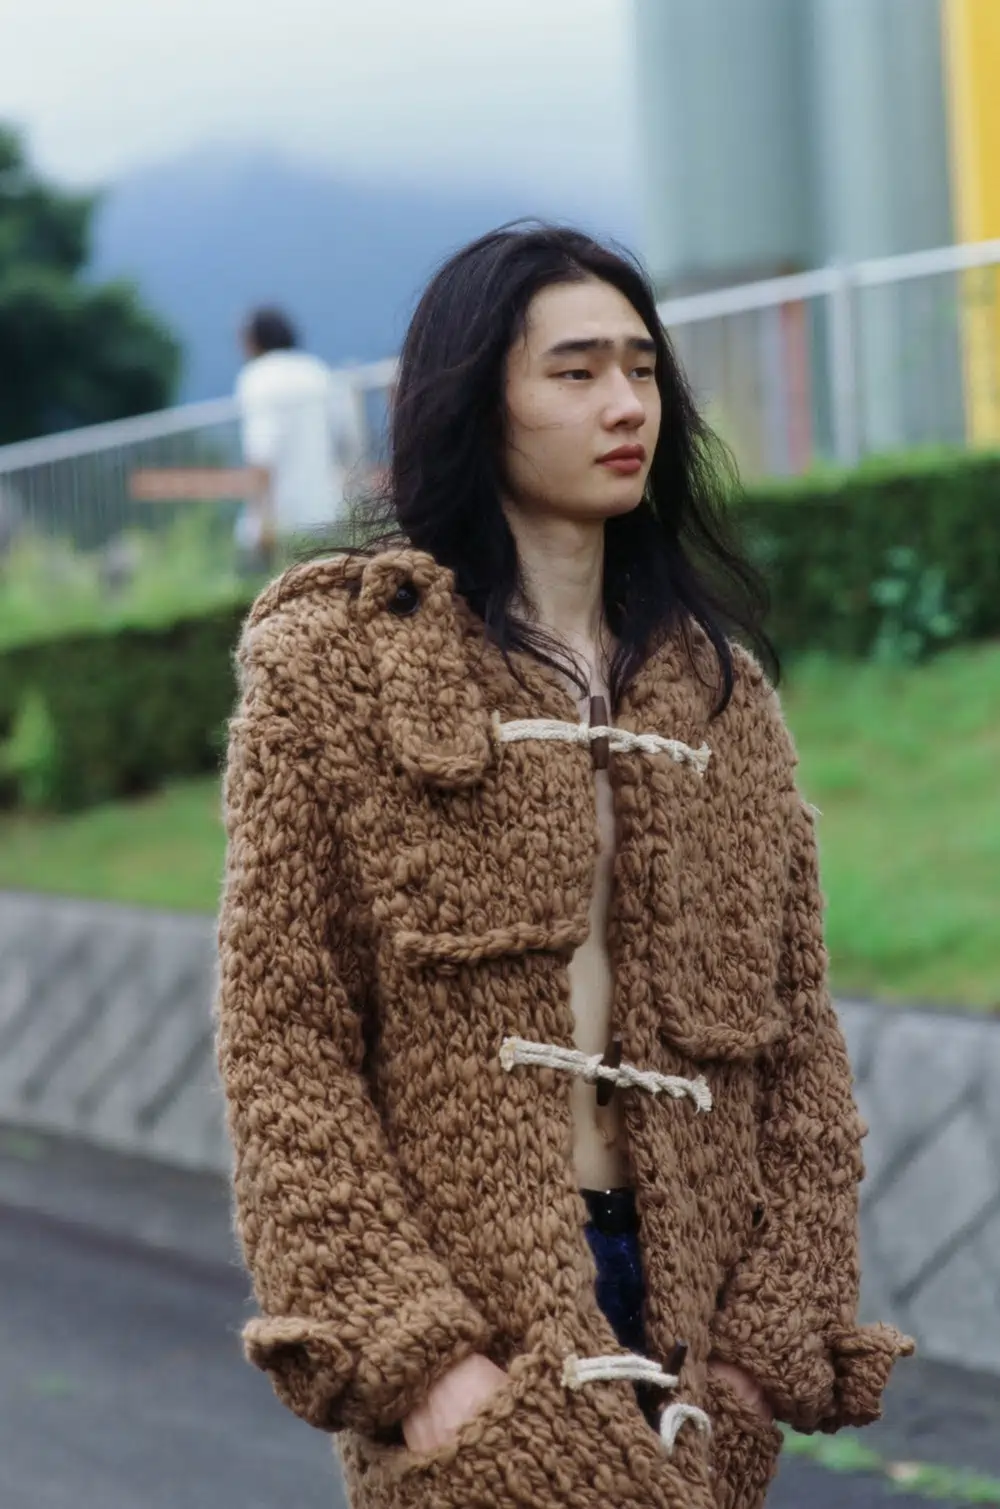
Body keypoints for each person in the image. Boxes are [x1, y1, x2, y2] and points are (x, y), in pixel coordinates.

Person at [215, 225, 912, 1509]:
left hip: (691, 1316)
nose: (625, 406)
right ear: (473, 402)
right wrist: (420, 1359)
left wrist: (769, 1334)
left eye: (641, 370)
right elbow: (284, 1038)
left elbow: (800, 1044)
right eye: (576, 371)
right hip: (477, 1310)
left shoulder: (717, 697)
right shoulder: (336, 671)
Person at [234, 306, 364, 566]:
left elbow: (261, 453)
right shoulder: (316, 371)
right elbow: (347, 438)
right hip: (328, 510)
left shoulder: (258, 377)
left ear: (254, 339)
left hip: (283, 519)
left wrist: (262, 519)